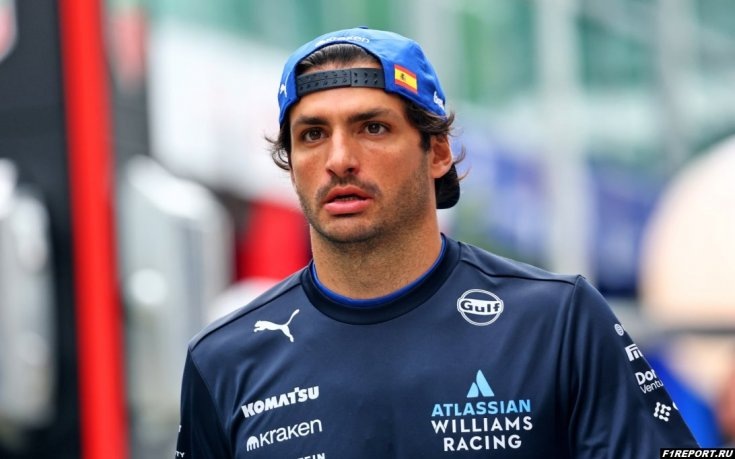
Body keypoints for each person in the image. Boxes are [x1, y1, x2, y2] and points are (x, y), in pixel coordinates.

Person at [175, 27, 699, 458]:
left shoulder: (559, 320)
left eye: (372, 128)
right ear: (290, 164)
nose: (339, 160)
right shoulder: (223, 360)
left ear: (438, 152)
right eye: (312, 134)